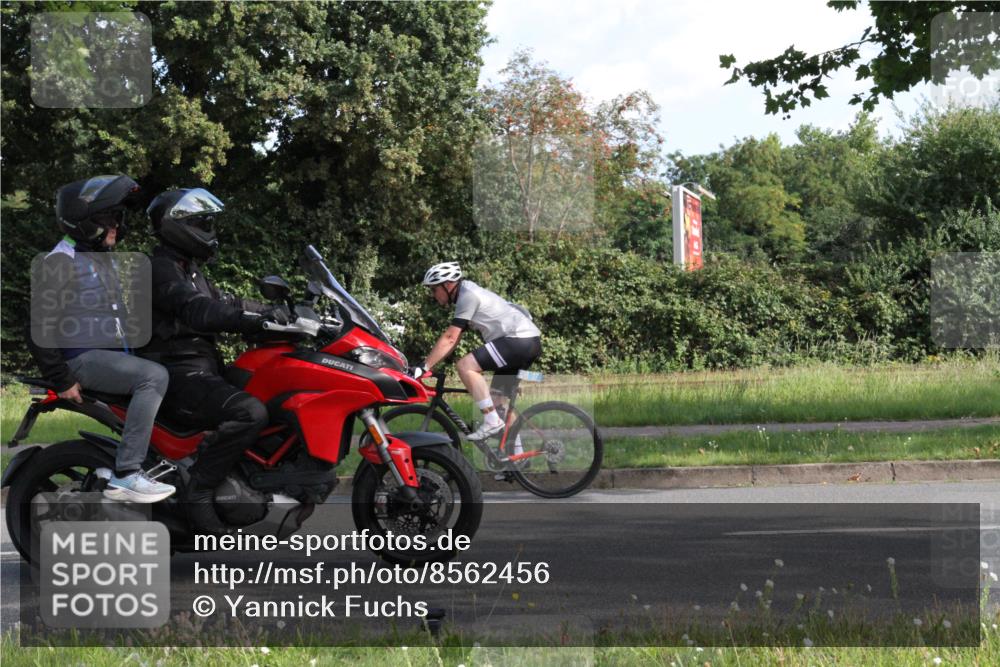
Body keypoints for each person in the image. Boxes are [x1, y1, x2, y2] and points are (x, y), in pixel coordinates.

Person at [140, 188, 290, 533]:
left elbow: (226, 300)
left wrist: (272, 312)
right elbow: (197, 309)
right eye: (202, 222)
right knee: (249, 411)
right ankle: (201, 489)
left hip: (200, 367)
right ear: (179, 227)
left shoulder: (186, 268)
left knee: (266, 389)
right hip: (179, 372)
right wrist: (249, 321)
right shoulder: (159, 269)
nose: (210, 229)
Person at [27, 175, 175, 503]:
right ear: (82, 222)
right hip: (79, 359)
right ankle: (127, 474)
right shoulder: (61, 262)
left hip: (103, 355)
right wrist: (60, 378)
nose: (116, 228)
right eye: (109, 219)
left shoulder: (93, 259)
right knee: (153, 378)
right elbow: (38, 326)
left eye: (119, 220)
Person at [410, 261, 542, 450]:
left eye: (434, 289)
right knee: (498, 402)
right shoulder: (468, 292)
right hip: (527, 341)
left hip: (517, 340)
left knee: (465, 366)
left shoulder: (468, 296)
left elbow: (450, 337)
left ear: (448, 285)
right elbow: (454, 340)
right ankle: (516, 458)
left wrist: (424, 367)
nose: (433, 295)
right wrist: (432, 362)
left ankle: (491, 421)